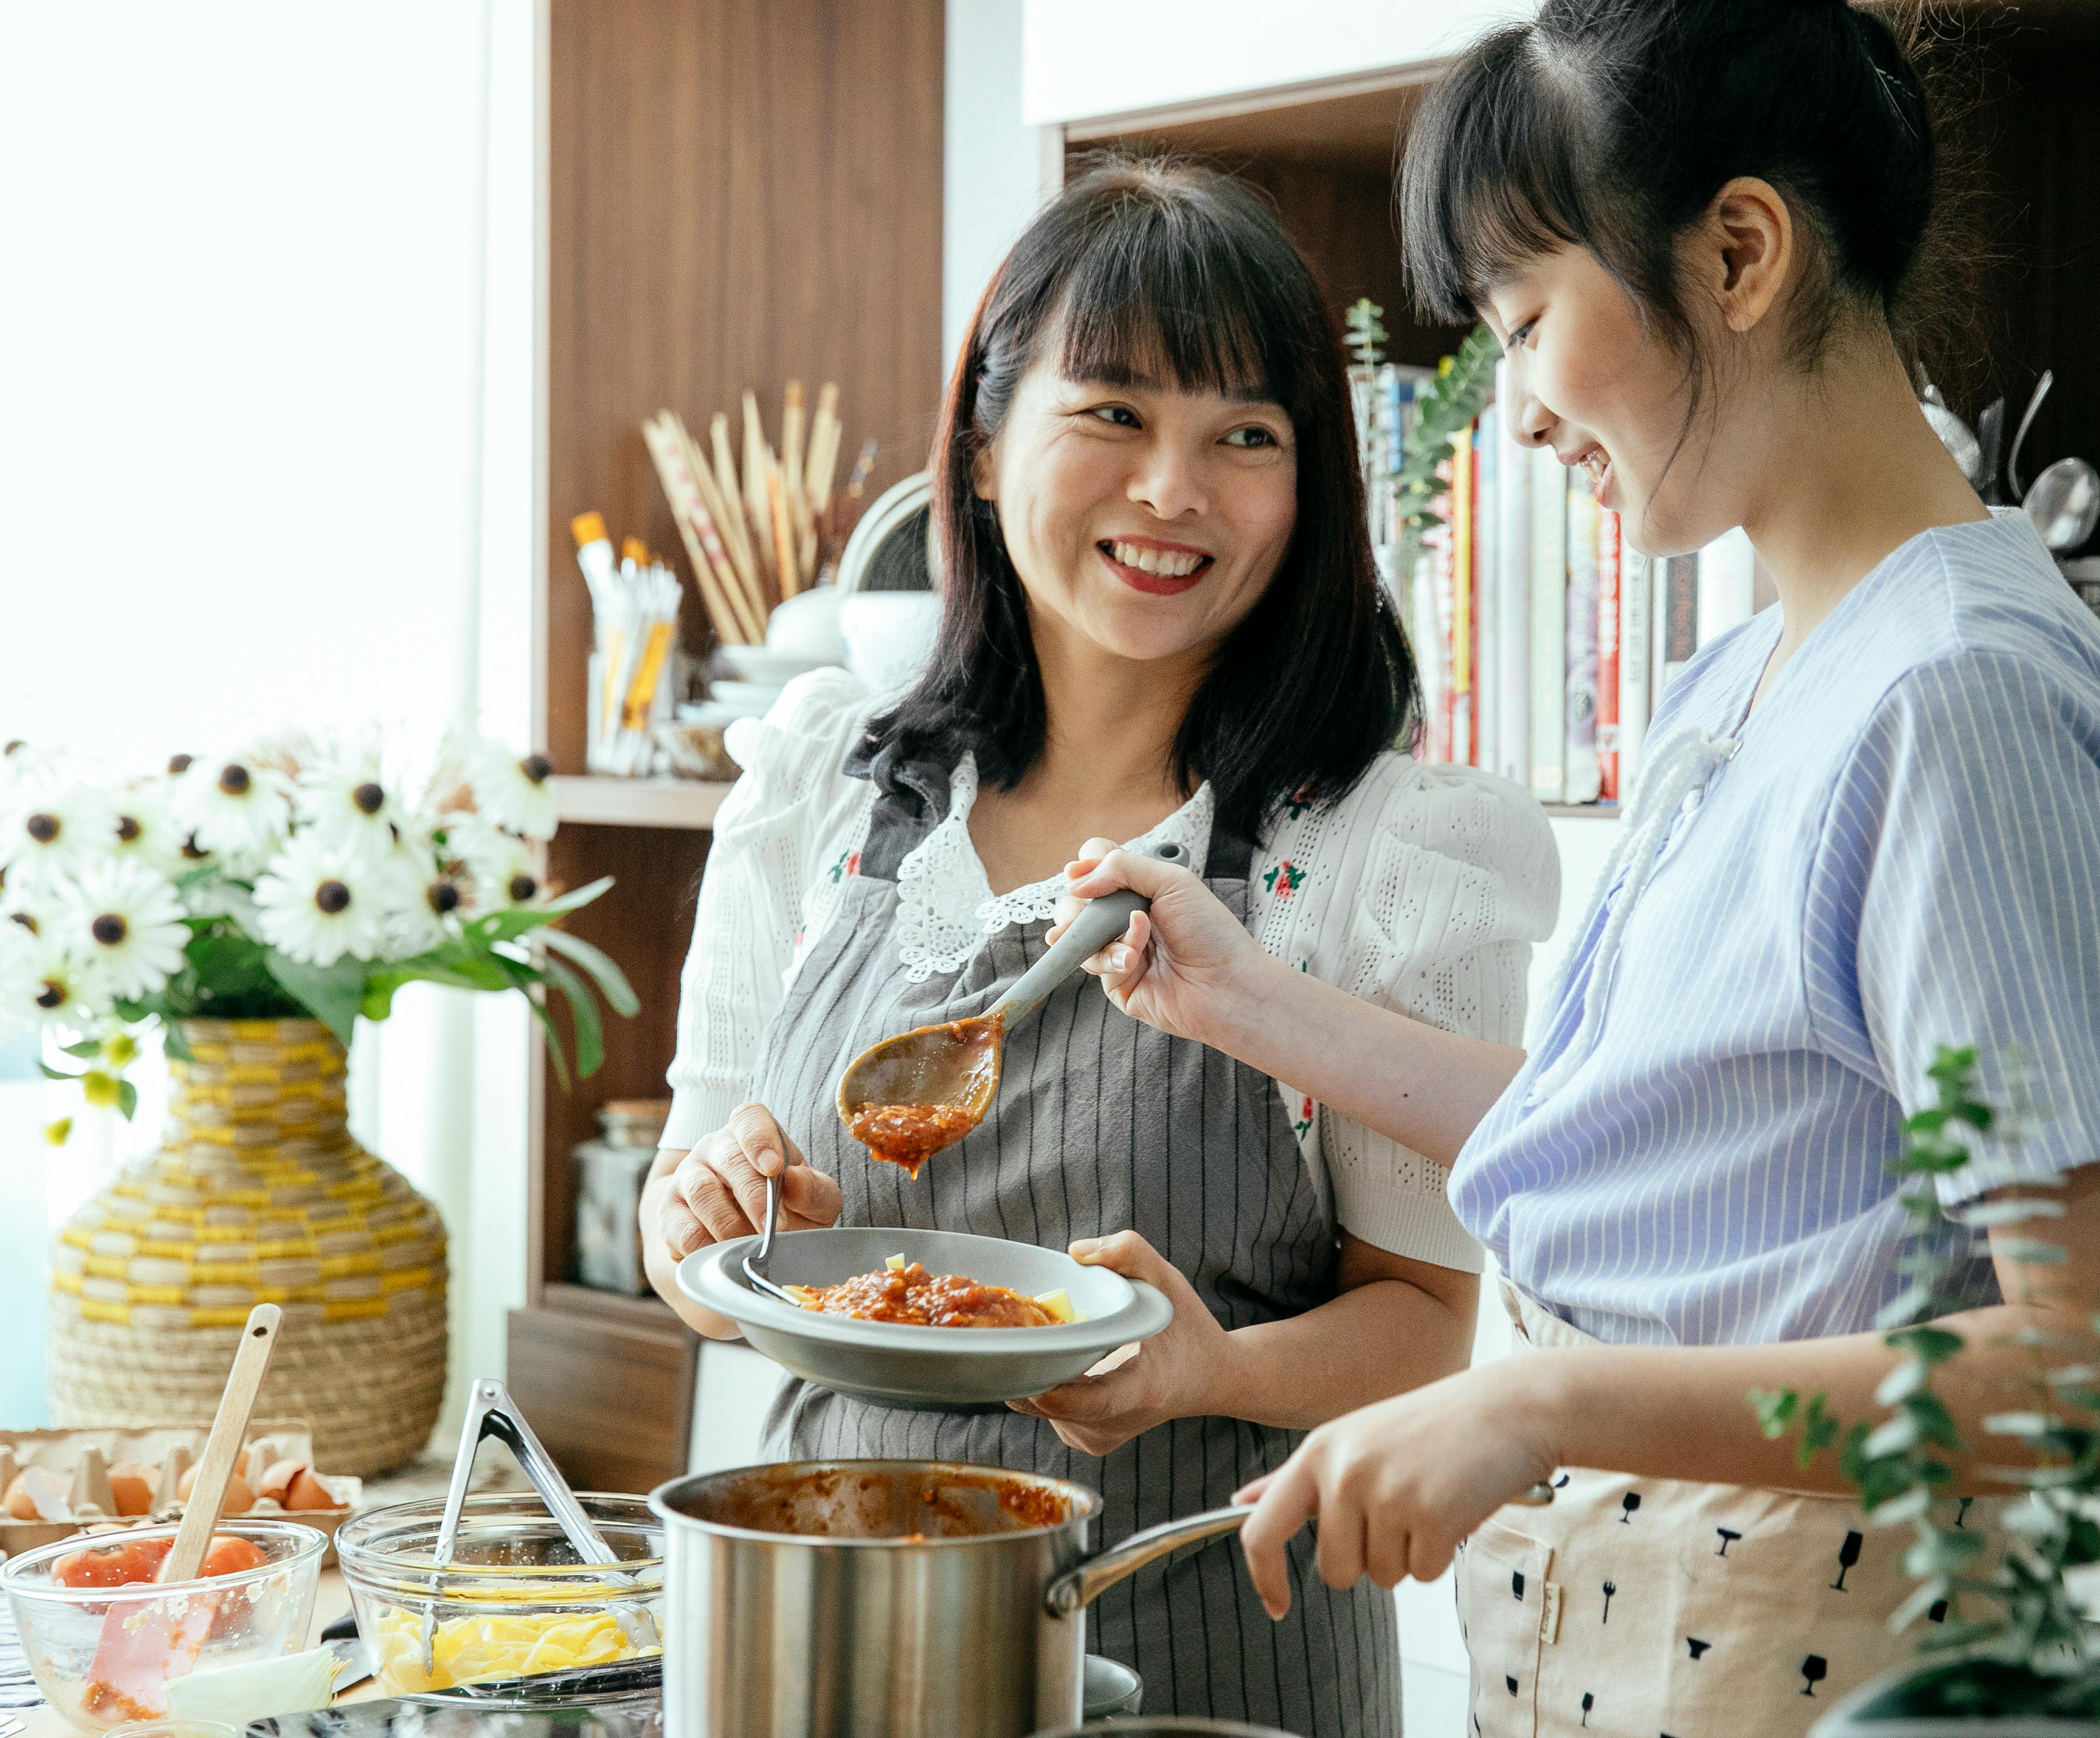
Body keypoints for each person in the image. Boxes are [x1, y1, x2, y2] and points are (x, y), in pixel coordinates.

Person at [1047, 6, 2100, 1735]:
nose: (1514, 412)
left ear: (1738, 254)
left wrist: (1543, 1404)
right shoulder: (1754, 669)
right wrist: (1242, 1000)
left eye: (1526, 323)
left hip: (1825, 1628)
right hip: (1654, 1611)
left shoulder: (1954, 698)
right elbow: (1659, 1151)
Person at [636, 160, 1557, 1734]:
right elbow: (693, 1246)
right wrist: (717, 1221)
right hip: (832, 1625)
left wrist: (1209, 1374)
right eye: (1114, 415)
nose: (1172, 492)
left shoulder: (1382, 855)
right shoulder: (823, 784)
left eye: (1243, 437)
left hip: (1214, 1640)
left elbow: (1425, 1322)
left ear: (1307, 486)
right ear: (986, 452)